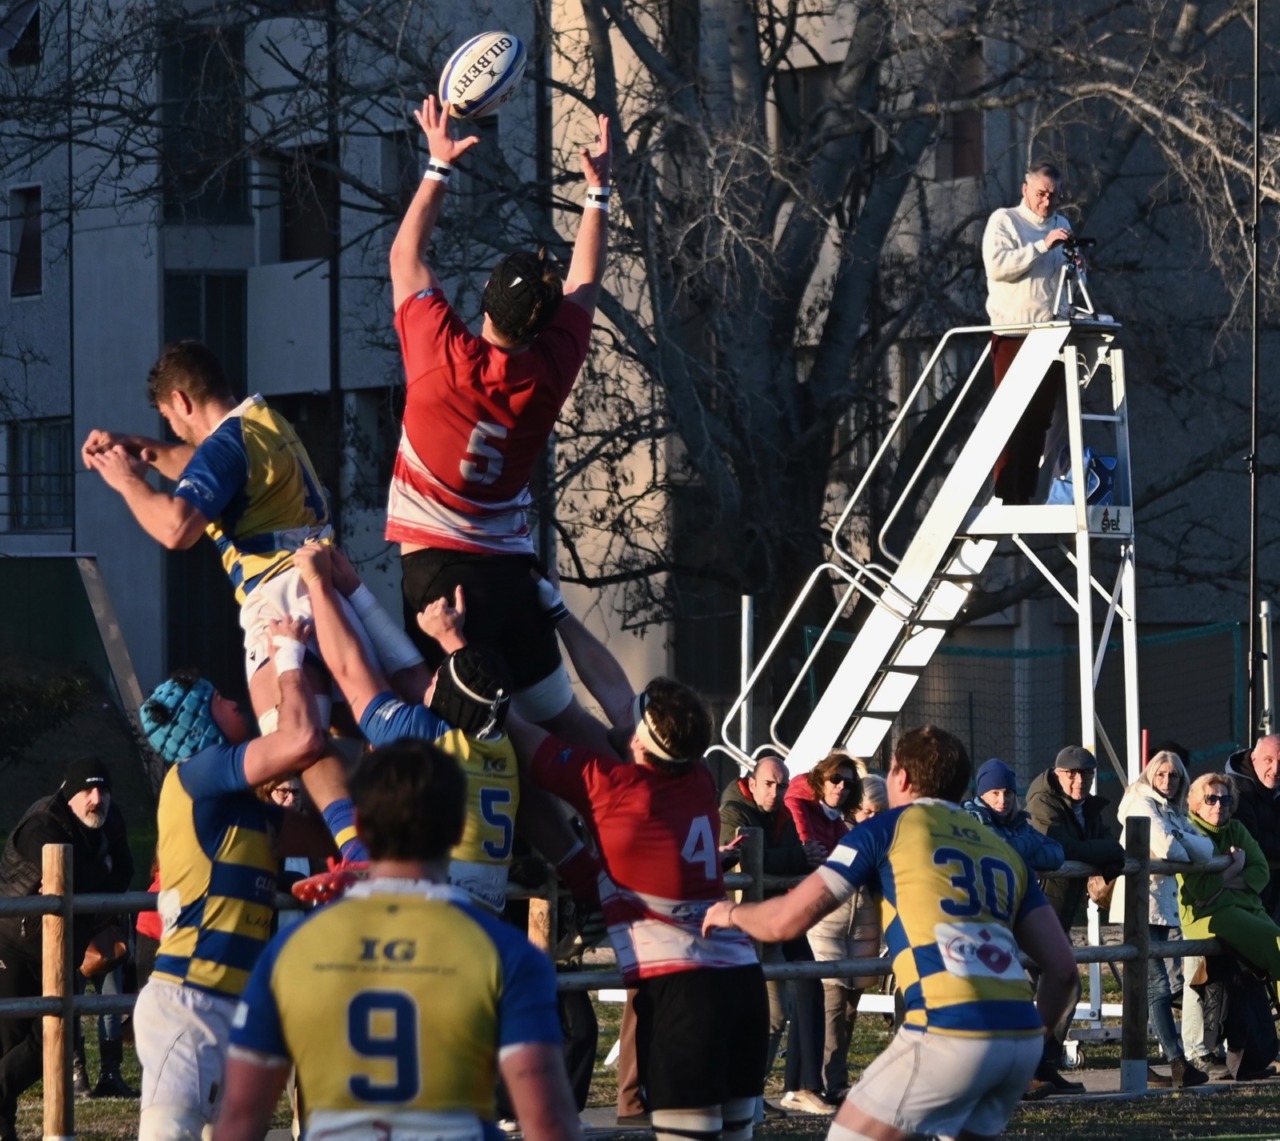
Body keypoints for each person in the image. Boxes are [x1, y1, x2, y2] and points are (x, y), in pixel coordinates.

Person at [80, 340, 421, 863]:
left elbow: (176, 529)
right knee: (356, 723)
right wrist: (139, 447)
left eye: (172, 420)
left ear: (183, 400)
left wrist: (128, 483)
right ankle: (390, 838)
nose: (174, 434)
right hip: (325, 588)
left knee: (293, 738)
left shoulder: (226, 445)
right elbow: (197, 461)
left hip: (279, 596)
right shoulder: (266, 424)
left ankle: (356, 857)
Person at [702, 726, 1078, 1141]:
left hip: (949, 1027)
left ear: (898, 778)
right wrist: (1024, 1040)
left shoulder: (887, 828)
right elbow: (1063, 971)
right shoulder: (1002, 848)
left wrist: (731, 912)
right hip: (1019, 1038)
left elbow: (784, 921)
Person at [386, 93, 613, 750]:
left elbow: (405, 255)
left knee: (438, 720)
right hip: (511, 572)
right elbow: (585, 285)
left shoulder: (440, 358)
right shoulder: (551, 369)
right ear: (541, 326)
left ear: (481, 299)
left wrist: (437, 165)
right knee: (562, 721)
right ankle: (632, 809)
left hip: (435, 565)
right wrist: (596, 196)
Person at [214, 739, 580, 1141]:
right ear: (460, 827)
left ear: (361, 828)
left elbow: (241, 1118)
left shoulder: (292, 951)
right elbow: (547, 1121)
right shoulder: (506, 953)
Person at [507, 679, 767, 1141]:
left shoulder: (615, 789)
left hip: (684, 990)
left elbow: (524, 739)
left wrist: (460, 652)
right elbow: (611, 711)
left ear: (639, 742)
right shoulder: (700, 778)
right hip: (743, 982)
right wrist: (558, 616)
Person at [133, 620, 336, 1141]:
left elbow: (318, 837)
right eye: (220, 699)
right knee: (170, 1132)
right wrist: (287, 656)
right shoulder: (198, 772)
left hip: (233, 1006)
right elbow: (303, 740)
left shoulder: (244, 803)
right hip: (189, 1000)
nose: (236, 702)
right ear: (200, 718)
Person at [0, 756, 134, 1141]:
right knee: (11, 1039)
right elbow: (70, 872)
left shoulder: (113, 820)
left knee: (58, 1036)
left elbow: (122, 873)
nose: (97, 799)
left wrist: (86, 880)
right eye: (87, 791)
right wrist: (94, 874)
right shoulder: (42, 822)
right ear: (68, 793)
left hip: (64, 944)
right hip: (14, 942)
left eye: (103, 789)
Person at [719, 753, 828, 1115]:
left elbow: (792, 853)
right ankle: (741, 1093)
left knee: (777, 1013)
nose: (775, 791)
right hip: (742, 926)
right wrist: (790, 858)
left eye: (781, 785)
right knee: (760, 1014)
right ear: (751, 783)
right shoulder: (733, 811)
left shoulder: (779, 813)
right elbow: (749, 856)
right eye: (768, 783)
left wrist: (782, 857)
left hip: (772, 919)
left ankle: (749, 1093)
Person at [1109, 751, 1214, 1088]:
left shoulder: (1170, 808)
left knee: (1147, 987)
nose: (1167, 782)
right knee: (1158, 986)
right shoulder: (1142, 803)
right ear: (1151, 775)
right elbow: (1168, 848)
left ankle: (1138, 1062)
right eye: (1162, 775)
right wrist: (1184, 842)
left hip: (1158, 904)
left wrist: (1182, 840)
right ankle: (1177, 1060)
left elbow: (1207, 848)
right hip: (1140, 905)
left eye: (1174, 777)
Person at [1024, 744, 1125, 1096]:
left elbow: (1114, 846)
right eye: (1072, 774)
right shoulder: (1043, 802)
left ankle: (1044, 1066)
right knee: (1058, 986)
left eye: (1086, 775)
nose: (1079, 781)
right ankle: (1031, 1068)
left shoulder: (1087, 809)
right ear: (1057, 774)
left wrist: (1108, 853)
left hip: (1058, 914)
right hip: (1031, 912)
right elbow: (1060, 847)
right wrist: (1105, 854)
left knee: (1063, 987)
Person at [982, 160, 1077, 504]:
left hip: (1049, 334)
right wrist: (1042, 246)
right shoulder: (1005, 221)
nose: (1047, 203)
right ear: (1025, 190)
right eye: (1041, 194)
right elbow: (998, 267)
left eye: (1053, 196)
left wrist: (1077, 267)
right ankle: (1005, 493)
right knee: (1012, 416)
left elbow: (1064, 279)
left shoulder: (1061, 224)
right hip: (1014, 332)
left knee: (1040, 419)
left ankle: (1023, 495)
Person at [1180, 772, 1280, 1079]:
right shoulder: (1190, 831)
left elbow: (1261, 871)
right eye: (1211, 799)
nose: (1219, 805)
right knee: (1276, 944)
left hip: (1244, 908)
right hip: (1208, 918)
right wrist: (1236, 867)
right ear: (1195, 803)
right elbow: (1198, 892)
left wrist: (1224, 882)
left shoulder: (1235, 828)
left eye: (1225, 799)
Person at [805, 773, 886, 1103]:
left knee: (850, 1011)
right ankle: (823, 1079)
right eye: (868, 811)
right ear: (855, 809)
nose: (873, 818)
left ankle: (836, 1080)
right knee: (832, 1007)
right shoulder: (843, 837)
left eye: (880, 812)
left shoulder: (885, 840)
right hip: (829, 930)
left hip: (863, 930)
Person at [963, 758, 1066, 872]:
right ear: (982, 795)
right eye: (995, 793)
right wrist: (1033, 840)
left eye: (1008, 793)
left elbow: (1058, 854)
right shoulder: (973, 819)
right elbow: (1003, 851)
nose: (1002, 800)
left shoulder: (1019, 823)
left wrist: (1017, 855)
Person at [1223, 734, 1280, 917]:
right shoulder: (1237, 791)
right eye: (1268, 760)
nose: (1275, 768)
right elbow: (1251, 842)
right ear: (1253, 758)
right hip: (1247, 890)